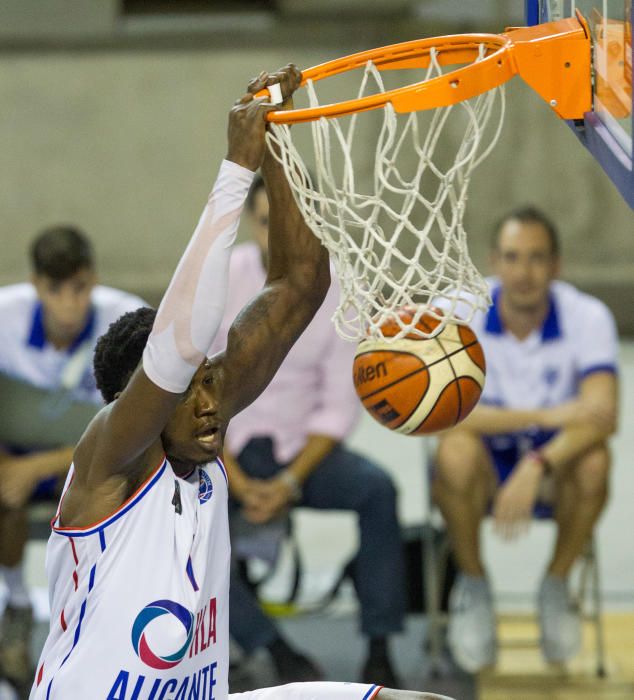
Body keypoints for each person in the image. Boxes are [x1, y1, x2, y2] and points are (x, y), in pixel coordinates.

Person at [28, 66, 451, 700]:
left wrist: (278, 141)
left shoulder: (203, 416)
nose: (210, 404)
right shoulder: (108, 464)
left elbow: (300, 285)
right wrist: (233, 171)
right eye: (187, 389)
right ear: (134, 404)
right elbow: (177, 350)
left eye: (211, 384)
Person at [208, 174, 406, 687]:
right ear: (252, 223)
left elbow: (339, 406)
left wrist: (289, 482)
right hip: (226, 451)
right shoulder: (224, 279)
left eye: (291, 225)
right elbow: (203, 390)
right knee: (188, 531)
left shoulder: (344, 289)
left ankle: (380, 645)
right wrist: (235, 475)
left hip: (304, 453)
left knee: (379, 491)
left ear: (315, 226)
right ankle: (272, 647)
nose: (278, 238)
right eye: (268, 224)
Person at [432, 206, 618, 673]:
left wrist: (537, 463)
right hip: (482, 468)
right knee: (452, 452)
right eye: (513, 257)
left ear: (555, 265)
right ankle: (473, 587)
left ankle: (557, 586)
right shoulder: (458, 310)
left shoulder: (587, 316)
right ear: (494, 261)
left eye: (537, 258)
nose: (524, 271)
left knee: (595, 460)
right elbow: (443, 418)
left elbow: (602, 417)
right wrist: (545, 415)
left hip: (555, 467)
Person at [0, 225, 145, 691]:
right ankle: (18, 604)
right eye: (55, 290)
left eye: (79, 288)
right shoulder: (4, 317)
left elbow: (138, 426)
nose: (68, 303)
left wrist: (38, 467)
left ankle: (113, 618)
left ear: (94, 279)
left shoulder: (126, 322)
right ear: (36, 285)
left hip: (97, 462)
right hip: (14, 463)